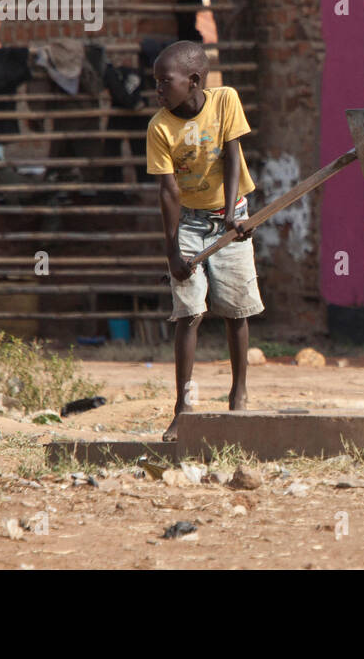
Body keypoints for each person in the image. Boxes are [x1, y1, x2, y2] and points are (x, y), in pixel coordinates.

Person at [145, 41, 263, 441]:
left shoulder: (226, 100)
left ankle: (239, 395)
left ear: (193, 81)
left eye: (165, 82)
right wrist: (172, 252)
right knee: (189, 312)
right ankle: (184, 406)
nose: (158, 90)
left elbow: (233, 156)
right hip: (190, 224)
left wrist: (233, 215)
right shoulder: (160, 126)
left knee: (236, 309)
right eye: (156, 82)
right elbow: (168, 193)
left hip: (231, 217)